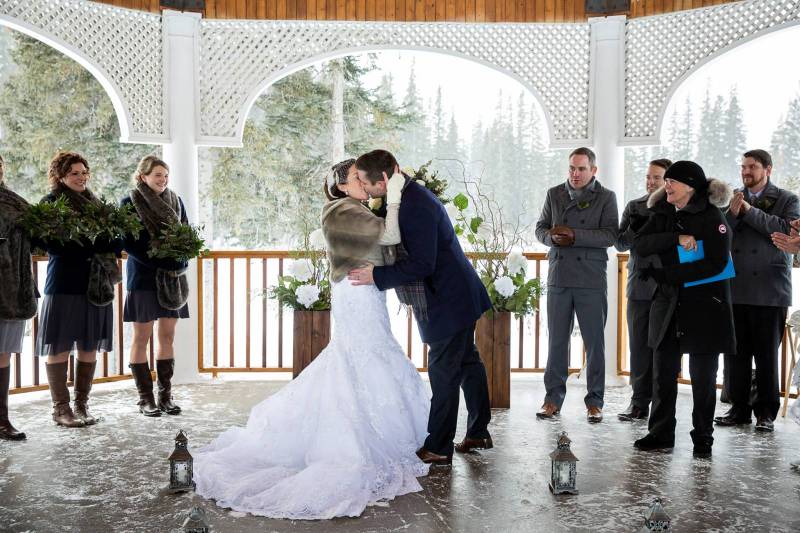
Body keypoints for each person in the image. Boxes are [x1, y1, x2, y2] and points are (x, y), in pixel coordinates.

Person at [193, 158, 431, 519]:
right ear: (340, 185)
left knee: (372, 351)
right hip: (356, 291)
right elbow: (389, 235)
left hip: (366, 288)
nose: (363, 182)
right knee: (359, 353)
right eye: (355, 178)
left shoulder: (355, 206)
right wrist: (395, 196)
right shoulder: (339, 209)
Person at [349, 149, 493, 464]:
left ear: (383, 179)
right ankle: (479, 431)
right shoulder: (408, 196)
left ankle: (439, 446)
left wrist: (377, 275)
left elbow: (423, 264)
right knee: (467, 362)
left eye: (363, 181)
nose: (363, 187)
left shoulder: (415, 205)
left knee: (443, 373)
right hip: (456, 295)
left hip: (448, 300)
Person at [632, 161, 734, 458]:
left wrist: (670, 274)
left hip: (705, 307)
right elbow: (640, 244)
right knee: (663, 372)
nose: (667, 186)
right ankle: (660, 433)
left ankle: (703, 437)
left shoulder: (713, 217)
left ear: (689, 185)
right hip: (668, 304)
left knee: (703, 377)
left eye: (671, 181)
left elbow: (716, 263)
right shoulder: (663, 210)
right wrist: (675, 238)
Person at [714, 149, 799, 432]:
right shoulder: (733, 197)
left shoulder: (788, 199)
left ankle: (766, 413)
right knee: (735, 355)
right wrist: (735, 216)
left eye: (752, 166)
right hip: (736, 287)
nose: (746, 171)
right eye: (743, 167)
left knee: (766, 356)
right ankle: (738, 409)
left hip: (769, 289)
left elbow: (785, 231)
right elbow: (721, 233)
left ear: (768, 169)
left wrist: (749, 212)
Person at [36, 151, 122, 428]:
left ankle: (81, 405)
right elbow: (54, 246)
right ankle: (60, 409)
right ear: (61, 176)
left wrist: (103, 243)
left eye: (84, 172)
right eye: (75, 172)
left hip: (95, 286)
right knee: (59, 345)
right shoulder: (50, 204)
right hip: (63, 285)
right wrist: (92, 245)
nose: (81, 177)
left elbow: (115, 241)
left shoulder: (97, 205)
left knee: (89, 345)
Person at [534, 147, 619, 423]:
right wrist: (552, 237)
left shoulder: (606, 197)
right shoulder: (553, 193)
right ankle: (552, 400)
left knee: (594, 344)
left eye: (581, 169)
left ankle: (595, 401)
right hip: (559, 276)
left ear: (593, 170)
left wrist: (573, 235)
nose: (575, 173)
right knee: (557, 342)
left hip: (591, 278)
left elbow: (609, 235)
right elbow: (540, 229)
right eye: (572, 168)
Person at [120, 156, 189, 417]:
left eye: (166, 175)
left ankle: (165, 396)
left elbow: (186, 235)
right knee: (142, 337)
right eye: (158, 175)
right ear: (143, 177)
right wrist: (159, 259)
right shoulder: (130, 203)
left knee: (167, 336)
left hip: (172, 278)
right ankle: (145, 399)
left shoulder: (176, 201)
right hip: (144, 277)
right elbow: (128, 242)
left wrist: (180, 259)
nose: (163, 179)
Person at [615, 158, 671, 421]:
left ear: (669, 181)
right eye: (648, 177)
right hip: (639, 287)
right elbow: (619, 244)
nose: (650, 182)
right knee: (638, 347)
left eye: (656, 178)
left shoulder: (678, 208)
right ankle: (638, 403)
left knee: (664, 349)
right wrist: (633, 229)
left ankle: (663, 405)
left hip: (669, 287)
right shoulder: (634, 206)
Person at [0, 154, 38, 440]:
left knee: (2, 354)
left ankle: (2, 419)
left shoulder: (15, 201)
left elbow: (37, 236)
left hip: (12, 288)